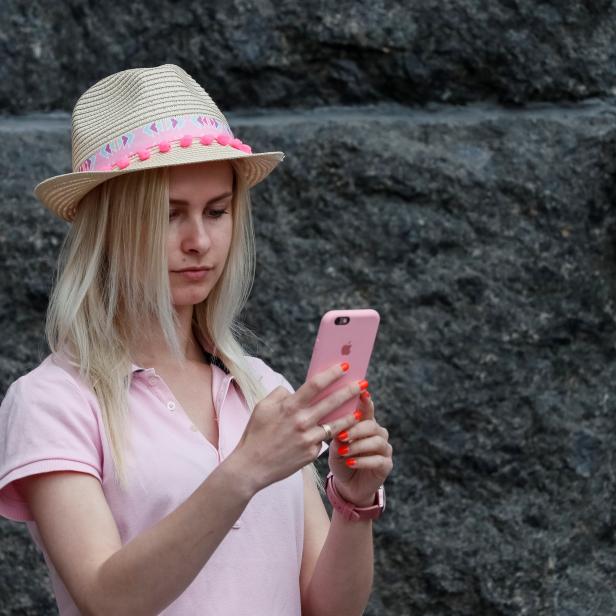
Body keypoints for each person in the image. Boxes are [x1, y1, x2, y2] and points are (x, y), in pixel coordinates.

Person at [0, 64, 394, 616]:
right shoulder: (52, 402)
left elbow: (330, 609)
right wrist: (245, 469)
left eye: (217, 211)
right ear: (110, 227)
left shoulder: (262, 388)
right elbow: (107, 599)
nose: (199, 241)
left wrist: (353, 503)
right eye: (169, 215)